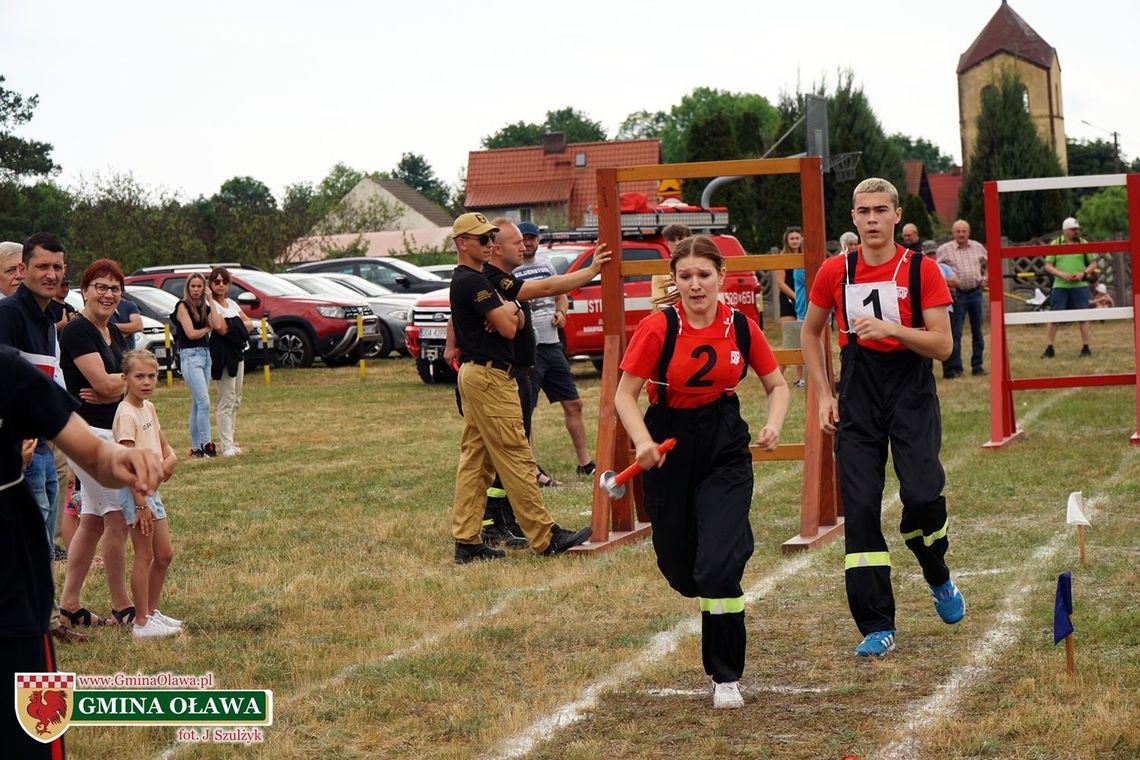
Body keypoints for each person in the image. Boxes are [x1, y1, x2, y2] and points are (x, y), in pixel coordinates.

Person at [614, 235, 789, 708]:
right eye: (686, 276)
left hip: (723, 442)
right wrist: (644, 442)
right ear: (674, 280)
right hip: (669, 441)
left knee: (717, 569)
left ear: (721, 277)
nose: (695, 285)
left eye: (704, 275)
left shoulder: (742, 326)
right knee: (681, 570)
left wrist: (773, 424)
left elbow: (776, 385)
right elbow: (623, 395)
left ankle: (726, 676)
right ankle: (718, 556)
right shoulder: (657, 328)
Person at [801, 177, 965, 658]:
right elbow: (811, 334)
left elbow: (943, 345)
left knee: (921, 495)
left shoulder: (922, 270)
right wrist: (823, 394)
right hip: (858, 389)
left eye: (880, 211)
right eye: (863, 211)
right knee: (862, 506)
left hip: (909, 387)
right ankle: (876, 623)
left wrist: (893, 327)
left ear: (896, 215)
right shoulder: (835, 271)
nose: (871, 219)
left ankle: (936, 571)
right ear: (852, 218)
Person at [1, 345, 163, 759]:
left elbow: (92, 452)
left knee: (33, 729)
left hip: (11, 581)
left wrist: (120, 457)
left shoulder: (8, 369)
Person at [448, 212, 605, 563]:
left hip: (481, 375)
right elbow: (508, 327)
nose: (489, 245)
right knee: (518, 456)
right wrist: (513, 310)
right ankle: (545, 536)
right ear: (462, 244)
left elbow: (509, 316)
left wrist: (510, 309)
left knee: (476, 462)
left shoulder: (474, 280)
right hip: (490, 377)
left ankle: (467, 541)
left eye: (491, 238)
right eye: (482, 240)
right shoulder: (473, 282)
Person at [0, 233, 87, 644]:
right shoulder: (9, 315)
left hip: (46, 446)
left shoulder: (49, 318)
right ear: (23, 270)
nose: (50, 274)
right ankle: (37, 625)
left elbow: (47, 379)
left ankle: (49, 621)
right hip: (23, 450)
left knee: (46, 539)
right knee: (30, 540)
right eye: (41, 267)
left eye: (57, 267)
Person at [58, 259, 136, 628]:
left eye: (115, 289)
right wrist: (119, 385)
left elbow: (119, 383)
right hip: (87, 435)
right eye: (101, 287)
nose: (108, 294)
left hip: (108, 431)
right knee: (117, 518)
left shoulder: (112, 333)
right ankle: (123, 607)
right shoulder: (77, 332)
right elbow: (105, 385)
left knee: (91, 521)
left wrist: (116, 385)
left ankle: (70, 604)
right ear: (85, 291)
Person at [512, 220, 597, 476]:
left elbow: (560, 292)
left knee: (574, 403)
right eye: (523, 239)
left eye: (532, 238)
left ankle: (585, 463)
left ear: (538, 240)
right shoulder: (511, 271)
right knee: (526, 410)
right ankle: (531, 467)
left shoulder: (546, 265)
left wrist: (562, 312)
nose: (528, 243)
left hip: (552, 345)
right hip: (529, 349)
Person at [113, 349, 182, 638]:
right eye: (139, 376)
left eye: (151, 376)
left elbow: (164, 446)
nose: (146, 382)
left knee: (164, 554)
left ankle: (152, 612)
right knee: (144, 555)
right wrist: (141, 504)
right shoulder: (125, 414)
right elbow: (129, 464)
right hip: (137, 494)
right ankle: (141, 622)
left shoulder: (148, 407)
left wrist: (171, 459)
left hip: (152, 491)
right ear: (125, 378)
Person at [207, 267, 251, 457]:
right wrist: (236, 325)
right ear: (210, 284)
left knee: (236, 398)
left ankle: (231, 440)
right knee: (226, 399)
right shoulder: (210, 306)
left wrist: (233, 323)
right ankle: (226, 445)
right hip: (223, 356)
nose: (220, 285)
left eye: (224, 281)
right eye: (216, 281)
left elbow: (248, 324)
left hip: (238, 353)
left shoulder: (232, 303)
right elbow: (219, 327)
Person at [935, 219, 987, 378]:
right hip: (958, 295)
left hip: (976, 293)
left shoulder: (977, 247)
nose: (961, 234)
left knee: (977, 331)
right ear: (953, 233)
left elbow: (990, 261)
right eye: (958, 231)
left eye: (964, 231)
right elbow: (935, 268)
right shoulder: (945, 250)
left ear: (968, 233)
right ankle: (956, 367)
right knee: (955, 333)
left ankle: (977, 365)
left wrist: (986, 276)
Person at [1042, 217, 1098, 358]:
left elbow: (1093, 263)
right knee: (1055, 316)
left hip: (1080, 285)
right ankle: (1049, 347)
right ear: (1065, 230)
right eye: (1073, 230)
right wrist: (1061, 274)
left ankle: (1086, 347)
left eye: (1077, 229)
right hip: (1060, 286)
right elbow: (1048, 266)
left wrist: (1083, 273)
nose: (1076, 232)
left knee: (1083, 317)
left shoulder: (1083, 243)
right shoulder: (1055, 244)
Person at [175, 272, 215, 457]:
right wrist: (207, 328)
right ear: (188, 288)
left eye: (200, 286)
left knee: (198, 403)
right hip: (190, 356)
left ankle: (196, 447)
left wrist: (211, 300)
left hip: (206, 355)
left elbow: (217, 322)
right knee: (204, 402)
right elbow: (190, 333)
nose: (196, 290)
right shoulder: (182, 306)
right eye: (193, 286)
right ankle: (207, 445)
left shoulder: (205, 307)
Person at [773, 227, 805, 386]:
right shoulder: (782, 258)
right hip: (788, 300)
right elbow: (780, 282)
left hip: (803, 301)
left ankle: (799, 378)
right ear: (787, 240)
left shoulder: (805, 256)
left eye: (797, 238)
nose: (794, 241)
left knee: (802, 339)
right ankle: (778, 376)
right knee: (789, 340)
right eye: (791, 238)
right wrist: (796, 297)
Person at [651, 223, 692, 308]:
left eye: (680, 238)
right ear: (667, 243)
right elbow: (658, 304)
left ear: (689, 239)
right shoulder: (660, 271)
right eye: (672, 240)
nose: (677, 243)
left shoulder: (701, 264)